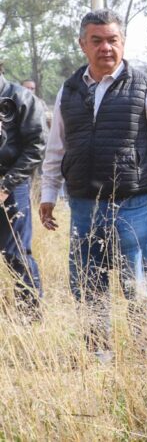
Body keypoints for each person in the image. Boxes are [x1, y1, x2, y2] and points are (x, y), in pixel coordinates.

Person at [39, 9, 147, 357]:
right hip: (81, 205)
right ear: (83, 45)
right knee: (86, 285)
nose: (105, 47)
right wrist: (48, 192)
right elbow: (57, 147)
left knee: (137, 283)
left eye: (113, 40)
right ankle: (99, 355)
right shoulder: (70, 90)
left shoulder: (146, 88)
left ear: (122, 43)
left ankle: (146, 356)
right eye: (97, 41)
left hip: (132, 205)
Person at [0, 70, 46, 319]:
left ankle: (31, 317)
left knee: (15, 252)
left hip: (11, 185)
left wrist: (6, 185)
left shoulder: (20, 98)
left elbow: (37, 146)